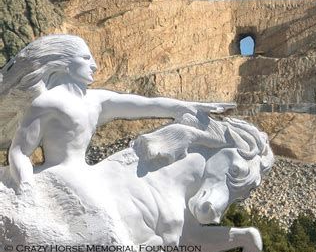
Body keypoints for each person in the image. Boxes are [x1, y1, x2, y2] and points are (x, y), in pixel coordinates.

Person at [0, 34, 234, 192]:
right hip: (61, 179)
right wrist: (27, 187)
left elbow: (147, 105)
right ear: (64, 63)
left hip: (88, 175)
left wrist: (186, 107)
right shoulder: (47, 103)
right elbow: (19, 153)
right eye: (86, 58)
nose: (95, 65)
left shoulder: (97, 99)